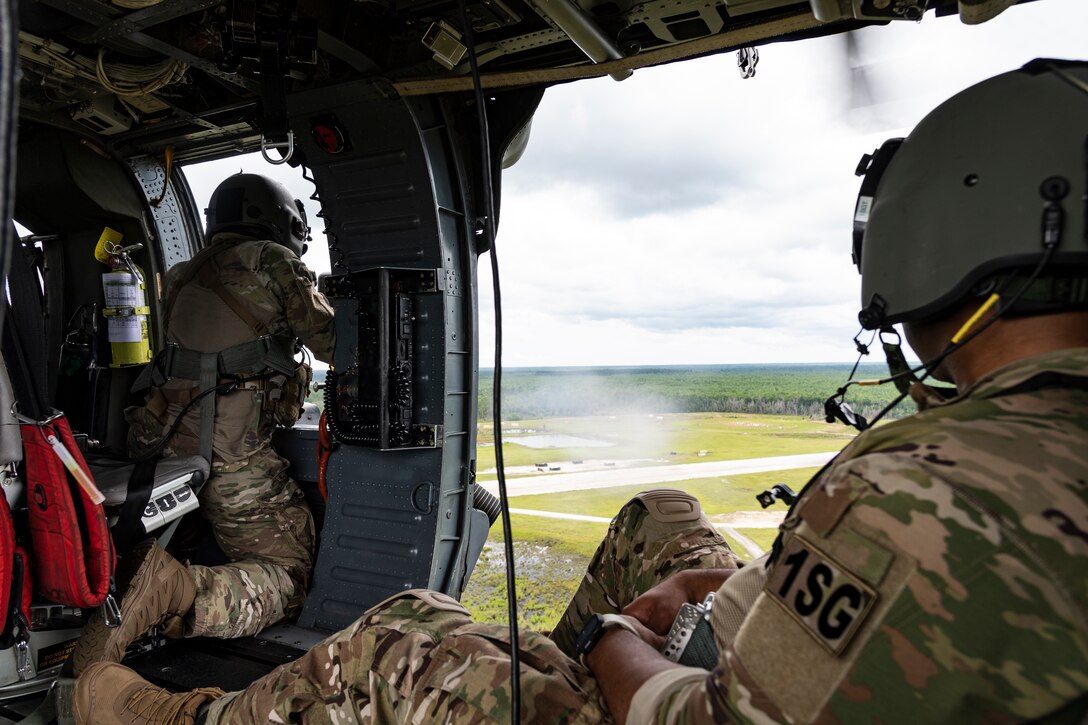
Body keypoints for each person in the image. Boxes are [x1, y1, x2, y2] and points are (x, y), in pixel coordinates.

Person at [73, 60, 1088, 723]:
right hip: (240, 456)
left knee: (398, 640)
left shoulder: (919, 484)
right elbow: (347, 342)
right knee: (664, 513)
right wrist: (717, 599)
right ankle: (527, 667)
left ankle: (161, 708)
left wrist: (614, 640)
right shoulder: (962, 475)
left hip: (183, 440)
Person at [69, 173, 336, 675]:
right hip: (232, 463)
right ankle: (175, 592)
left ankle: (130, 594)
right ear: (279, 221)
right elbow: (334, 342)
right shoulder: (273, 261)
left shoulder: (181, 273)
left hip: (163, 452)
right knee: (288, 575)